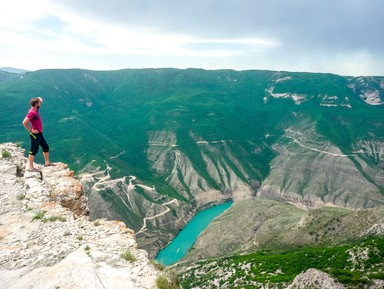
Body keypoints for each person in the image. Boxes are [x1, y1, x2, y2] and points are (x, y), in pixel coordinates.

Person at [22, 97, 54, 172]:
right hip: (35, 134)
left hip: (39, 133)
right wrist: (30, 130)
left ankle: (47, 163)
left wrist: (38, 99)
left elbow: (40, 100)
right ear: (36, 104)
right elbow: (24, 122)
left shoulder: (35, 109)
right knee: (33, 150)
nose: (41, 104)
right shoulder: (32, 112)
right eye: (39, 103)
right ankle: (31, 167)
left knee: (45, 147)